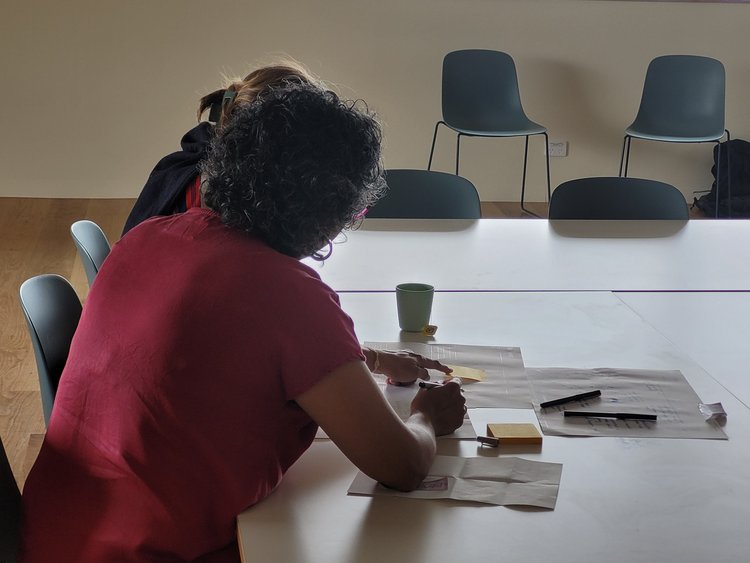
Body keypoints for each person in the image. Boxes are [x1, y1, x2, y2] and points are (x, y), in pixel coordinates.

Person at [20, 76, 466, 561]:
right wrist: (425, 418)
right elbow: (400, 466)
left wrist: (374, 359)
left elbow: (235, 339)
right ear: (331, 208)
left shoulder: (149, 237)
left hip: (56, 534)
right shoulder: (289, 295)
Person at [122, 61, 432, 384]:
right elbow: (278, 331)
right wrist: (423, 414)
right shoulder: (233, 218)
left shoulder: (188, 178)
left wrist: (370, 358)